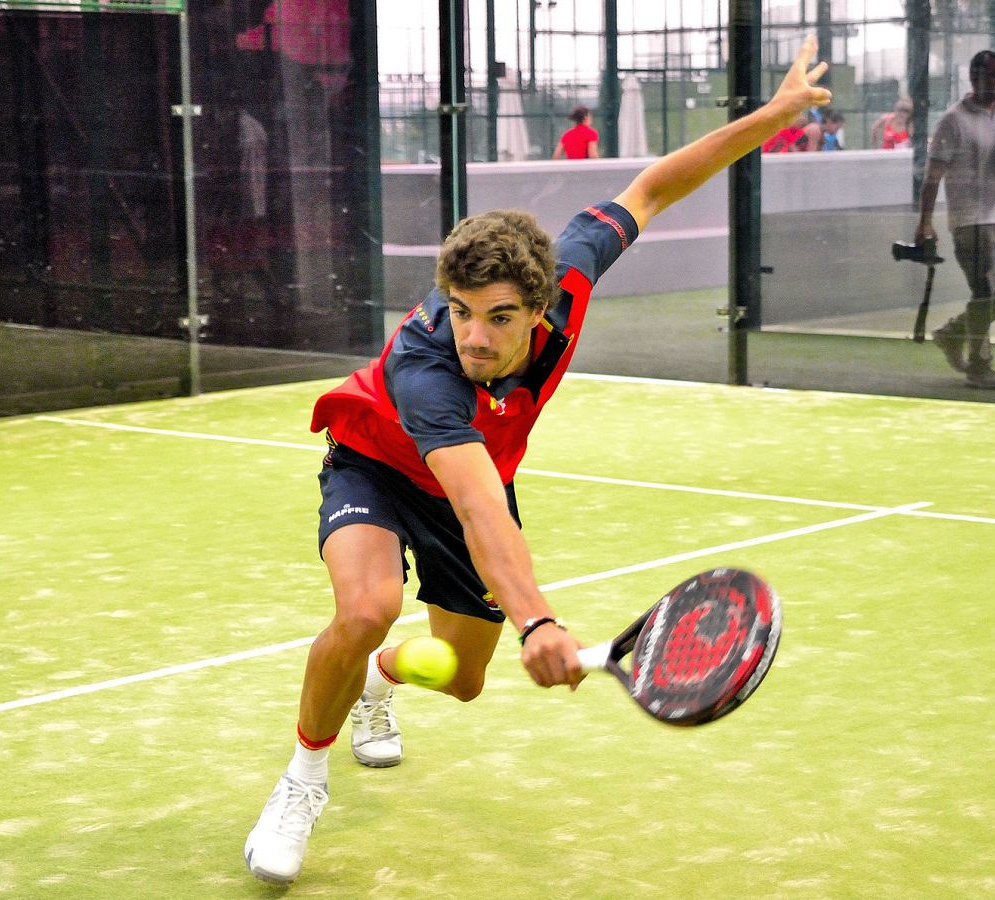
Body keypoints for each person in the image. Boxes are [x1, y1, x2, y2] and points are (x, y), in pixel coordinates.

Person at [241, 37, 833, 886]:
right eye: (460, 311)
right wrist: (540, 622)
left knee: (461, 676)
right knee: (367, 604)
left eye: (497, 316)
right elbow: (481, 508)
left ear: (541, 305)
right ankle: (302, 779)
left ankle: (376, 680)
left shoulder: (572, 272)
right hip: (375, 463)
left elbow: (656, 185)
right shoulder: (426, 367)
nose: (475, 335)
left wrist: (772, 118)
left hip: (467, 482)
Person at [916, 50, 995, 391]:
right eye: (993, 76)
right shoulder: (953, 120)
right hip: (971, 221)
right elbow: (932, 177)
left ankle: (952, 334)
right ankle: (979, 367)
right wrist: (925, 224)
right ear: (975, 79)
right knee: (984, 293)